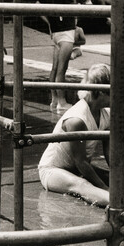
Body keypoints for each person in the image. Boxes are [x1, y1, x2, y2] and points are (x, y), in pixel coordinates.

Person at [38, 64, 112, 207]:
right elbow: (81, 162)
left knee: (113, 177)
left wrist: (120, 177)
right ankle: (117, 202)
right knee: (81, 185)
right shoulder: (76, 119)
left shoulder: (106, 114)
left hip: (74, 169)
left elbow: (110, 153)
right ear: (101, 92)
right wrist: (106, 189)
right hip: (53, 170)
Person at [46, 0, 85, 112]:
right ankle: (62, 102)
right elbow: (68, 7)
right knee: (62, 69)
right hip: (65, 33)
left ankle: (54, 100)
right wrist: (77, 5)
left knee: (55, 68)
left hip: (56, 32)